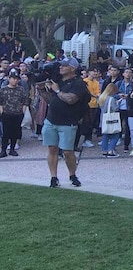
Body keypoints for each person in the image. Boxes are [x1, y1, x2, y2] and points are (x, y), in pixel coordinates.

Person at [42, 58, 89, 188]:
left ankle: (72, 174)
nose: (61, 67)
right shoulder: (57, 81)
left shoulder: (79, 84)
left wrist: (57, 90)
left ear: (72, 68)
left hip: (67, 122)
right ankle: (53, 177)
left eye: (64, 65)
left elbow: (71, 99)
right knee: (52, 148)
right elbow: (49, 100)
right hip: (51, 120)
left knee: (68, 151)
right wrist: (43, 90)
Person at [0, 70, 29, 157]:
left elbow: (25, 101)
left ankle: (12, 149)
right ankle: (3, 150)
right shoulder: (3, 90)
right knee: (5, 133)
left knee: (15, 132)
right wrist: (2, 112)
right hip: (6, 114)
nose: (15, 81)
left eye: (16, 79)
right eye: (13, 78)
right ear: (9, 79)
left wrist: (23, 112)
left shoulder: (21, 89)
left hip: (18, 114)